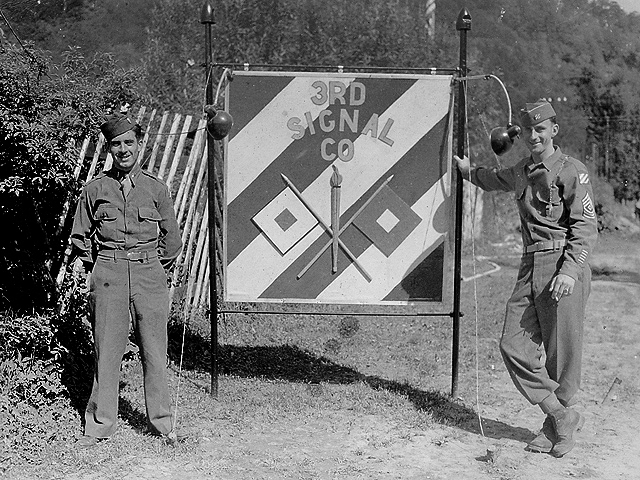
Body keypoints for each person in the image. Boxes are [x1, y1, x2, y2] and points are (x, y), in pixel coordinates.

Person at [454, 100, 598, 457]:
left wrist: (569, 272)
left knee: (560, 355)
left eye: (541, 129)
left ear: (554, 130)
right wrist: (468, 170)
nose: (535, 136)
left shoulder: (570, 170)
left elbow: (585, 227)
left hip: (562, 264)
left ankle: (553, 431)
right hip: (530, 264)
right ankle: (562, 415)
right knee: (513, 344)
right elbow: (491, 179)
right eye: (529, 131)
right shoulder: (521, 170)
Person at [70, 112, 183, 448]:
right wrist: (95, 264)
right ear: (109, 148)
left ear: (139, 144)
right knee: (107, 351)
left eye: (129, 142)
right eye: (116, 144)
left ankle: (162, 425)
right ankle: (100, 426)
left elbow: (172, 240)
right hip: (109, 274)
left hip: (149, 274)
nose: (123, 150)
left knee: (154, 350)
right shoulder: (96, 190)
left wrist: (150, 264)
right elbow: (80, 236)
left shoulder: (156, 189)